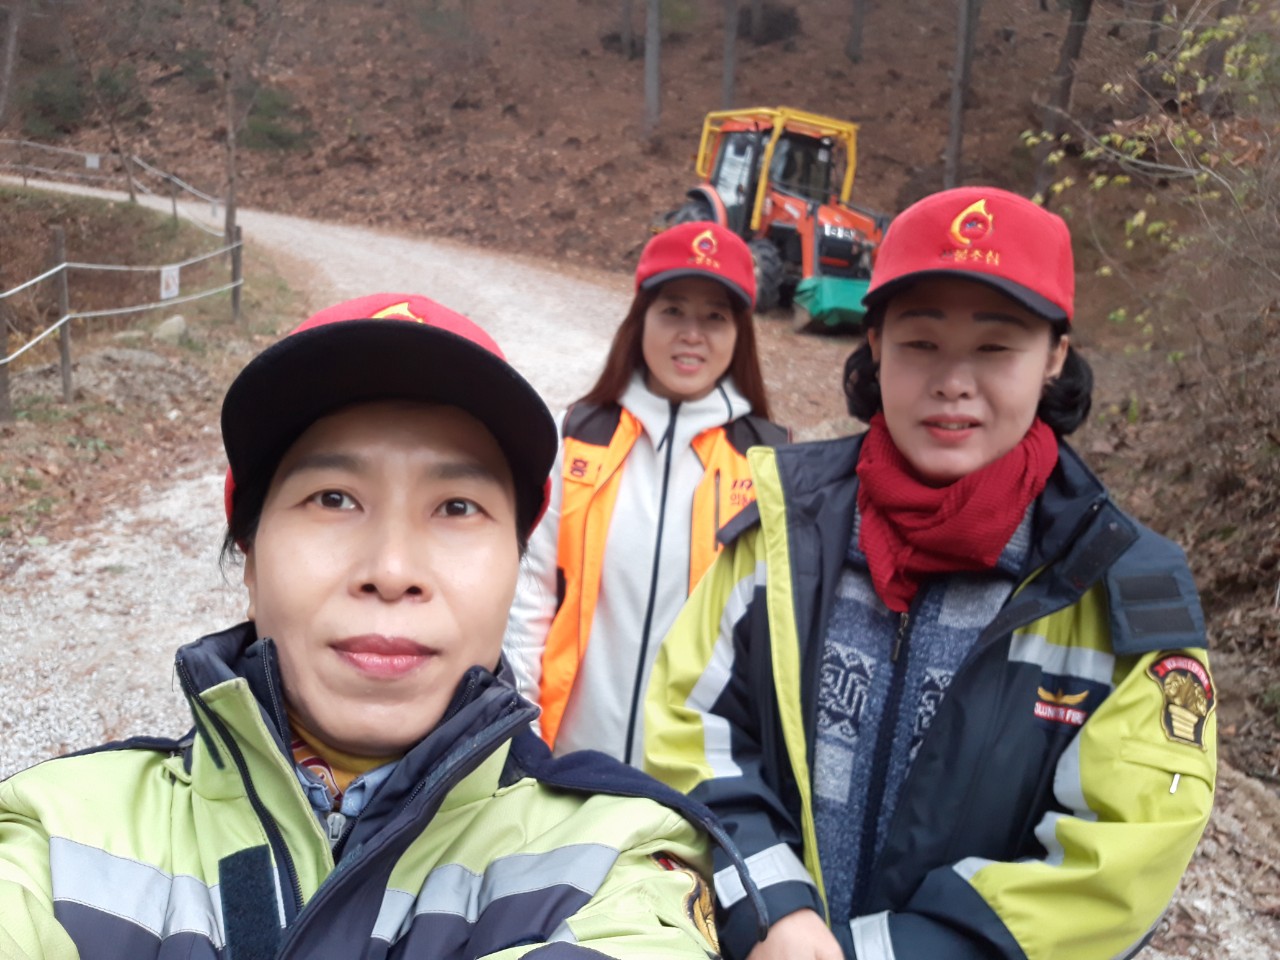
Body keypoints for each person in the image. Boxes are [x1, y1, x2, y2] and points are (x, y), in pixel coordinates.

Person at [0, 293, 768, 959]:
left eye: (457, 507)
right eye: (333, 498)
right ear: (250, 557)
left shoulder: (620, 862)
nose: (393, 568)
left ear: (517, 565)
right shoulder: (53, 837)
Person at [645, 187, 1217, 960]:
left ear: (1055, 356)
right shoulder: (785, 529)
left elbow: (1122, 857)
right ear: (875, 344)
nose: (953, 381)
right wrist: (770, 905)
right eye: (920, 342)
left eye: (995, 347)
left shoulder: (1121, 587)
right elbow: (692, 725)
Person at [505, 221, 788, 766]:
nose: (692, 334)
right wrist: (525, 740)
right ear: (640, 321)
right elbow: (531, 599)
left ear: (740, 334)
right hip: (567, 765)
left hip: (697, 783)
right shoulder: (578, 438)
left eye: (715, 317)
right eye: (673, 310)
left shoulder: (771, 465)